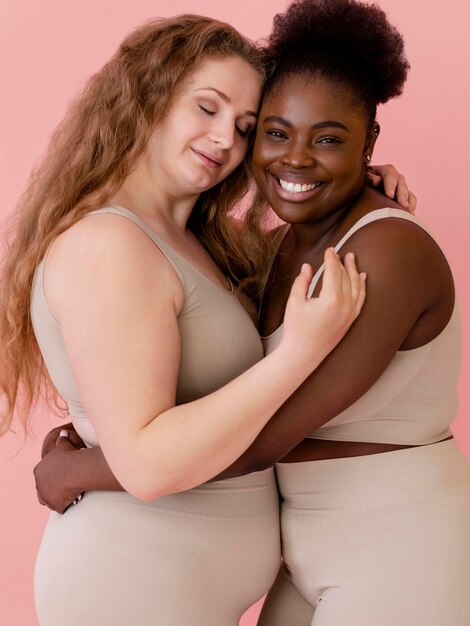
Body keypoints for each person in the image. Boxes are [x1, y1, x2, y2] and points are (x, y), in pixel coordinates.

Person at [36, 1, 469, 624]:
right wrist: (337, 176)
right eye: (272, 132)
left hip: (396, 536)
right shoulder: (266, 250)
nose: (292, 157)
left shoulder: (385, 250)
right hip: (299, 555)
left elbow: (265, 433)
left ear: (367, 141)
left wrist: (78, 469)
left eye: (329, 138)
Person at [0, 13, 370, 626]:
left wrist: (359, 188)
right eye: (207, 107)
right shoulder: (108, 247)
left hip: (182, 590)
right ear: (146, 98)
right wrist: (299, 354)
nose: (226, 138)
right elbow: (146, 463)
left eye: (246, 126)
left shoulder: (201, 241)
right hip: (130, 585)